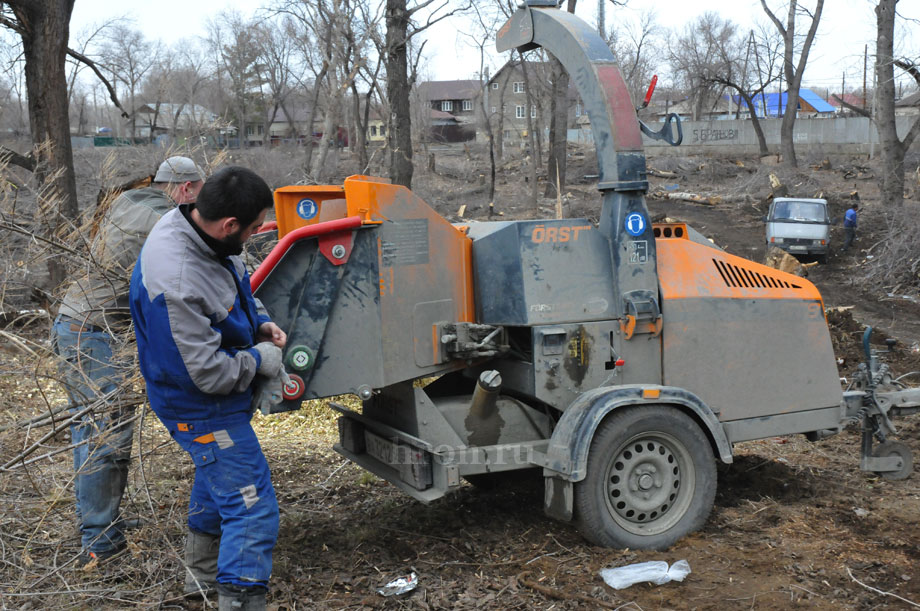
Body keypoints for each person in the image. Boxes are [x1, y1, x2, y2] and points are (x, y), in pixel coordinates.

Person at [129, 166, 286, 610]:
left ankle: (196, 588)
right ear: (230, 225)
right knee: (252, 509)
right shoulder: (176, 279)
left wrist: (260, 321)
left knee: (219, 484)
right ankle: (237, 602)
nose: (257, 234)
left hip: (211, 401)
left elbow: (234, 280)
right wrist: (260, 359)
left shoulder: (201, 229)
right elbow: (206, 374)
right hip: (197, 405)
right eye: (254, 227)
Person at [52, 156, 204, 567]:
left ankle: (101, 527)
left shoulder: (131, 201)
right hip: (91, 332)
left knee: (95, 431)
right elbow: (197, 248)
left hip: (84, 326)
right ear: (186, 188)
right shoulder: (159, 215)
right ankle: (99, 542)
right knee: (105, 438)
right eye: (198, 195)